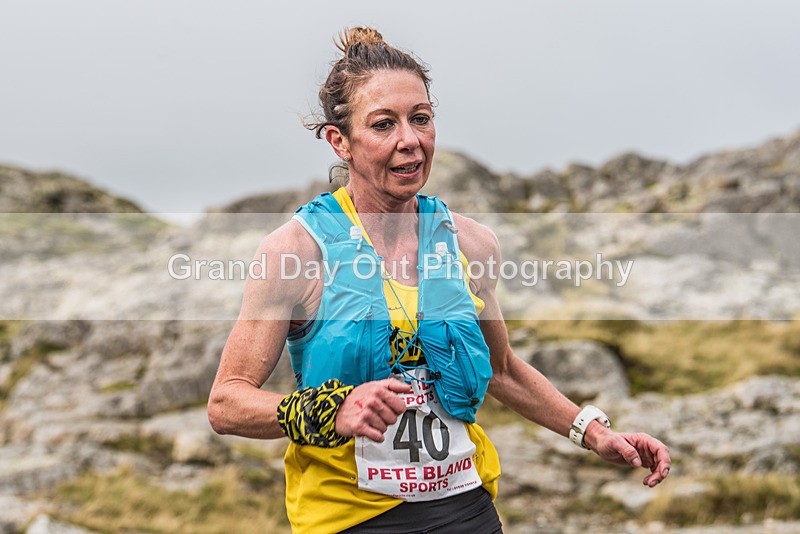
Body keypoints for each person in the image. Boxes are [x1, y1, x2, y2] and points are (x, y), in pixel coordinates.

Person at [208, 27, 670, 533]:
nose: (410, 140)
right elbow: (227, 402)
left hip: (464, 507)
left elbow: (503, 370)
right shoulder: (296, 252)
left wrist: (594, 432)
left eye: (421, 119)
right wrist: (330, 408)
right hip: (349, 519)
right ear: (339, 141)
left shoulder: (470, 244)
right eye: (384, 125)